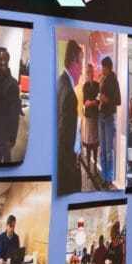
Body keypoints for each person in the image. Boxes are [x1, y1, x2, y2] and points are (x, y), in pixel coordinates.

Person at [57, 40, 84, 194]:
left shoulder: (60, 83)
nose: (81, 72)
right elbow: (64, 141)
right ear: (74, 63)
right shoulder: (69, 95)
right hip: (65, 171)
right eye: (80, 65)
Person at [0, 47, 23, 163]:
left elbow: (15, 114)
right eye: (0, 59)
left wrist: (12, 137)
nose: (3, 62)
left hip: (6, 132)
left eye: (5, 59)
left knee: (6, 157)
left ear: (8, 60)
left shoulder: (13, 84)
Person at [98, 56, 121, 187]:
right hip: (101, 115)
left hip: (109, 117)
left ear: (107, 67)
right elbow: (100, 95)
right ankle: (103, 176)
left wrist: (107, 100)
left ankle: (108, 178)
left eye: (103, 67)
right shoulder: (104, 79)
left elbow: (118, 100)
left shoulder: (113, 79)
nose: (102, 69)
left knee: (108, 150)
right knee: (102, 149)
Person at [81, 63, 100, 167]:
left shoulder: (97, 85)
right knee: (88, 143)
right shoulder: (85, 86)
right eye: (90, 72)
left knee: (95, 143)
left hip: (96, 117)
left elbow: (98, 100)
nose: (92, 74)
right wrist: (93, 102)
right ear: (87, 73)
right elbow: (85, 102)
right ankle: (88, 165)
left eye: (92, 72)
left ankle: (95, 164)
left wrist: (92, 102)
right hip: (89, 117)